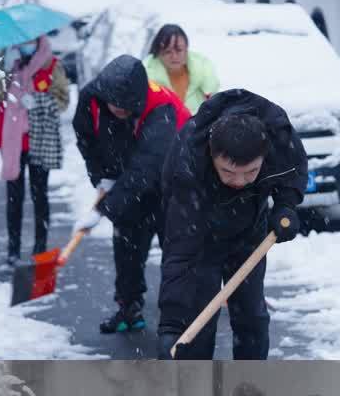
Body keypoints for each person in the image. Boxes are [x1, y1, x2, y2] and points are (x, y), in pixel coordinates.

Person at [158, 89, 308, 360]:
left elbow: (293, 172)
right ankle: (196, 390)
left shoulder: (279, 136)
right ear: (212, 154)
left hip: (249, 233)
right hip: (200, 235)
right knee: (197, 318)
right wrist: (171, 322)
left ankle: (248, 389)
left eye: (250, 172)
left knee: (251, 316)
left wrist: (286, 206)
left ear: (265, 157)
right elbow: (180, 249)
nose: (239, 181)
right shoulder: (188, 161)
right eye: (228, 172)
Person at [72, 55, 191, 335]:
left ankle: (181, 317)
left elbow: (148, 167)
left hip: (173, 182)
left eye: (126, 109)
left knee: (176, 252)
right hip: (130, 179)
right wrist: (102, 176)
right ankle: (129, 309)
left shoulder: (160, 106)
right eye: (114, 106)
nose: (118, 111)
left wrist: (104, 209)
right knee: (126, 246)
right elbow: (86, 137)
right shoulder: (93, 96)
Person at [0, 36, 69, 263]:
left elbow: (63, 101)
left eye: (30, 40)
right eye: (22, 40)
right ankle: (13, 249)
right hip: (12, 139)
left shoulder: (52, 64)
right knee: (14, 197)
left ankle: (40, 247)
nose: (26, 44)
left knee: (39, 194)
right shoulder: (7, 62)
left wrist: (36, 101)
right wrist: (2, 68)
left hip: (39, 138)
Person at [143, 24, 220, 116]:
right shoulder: (145, 75)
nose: (174, 56)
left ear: (186, 49)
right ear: (158, 52)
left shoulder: (204, 71)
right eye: (168, 51)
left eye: (179, 50)